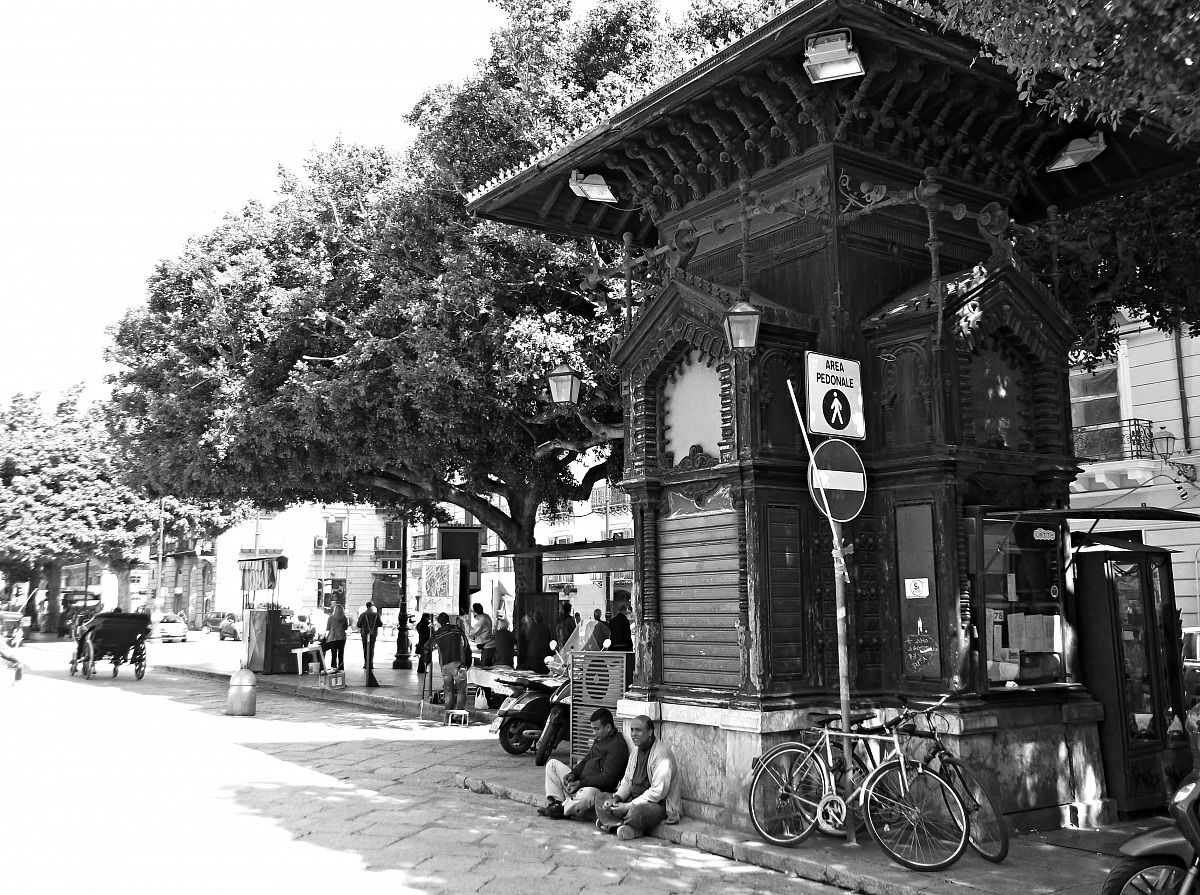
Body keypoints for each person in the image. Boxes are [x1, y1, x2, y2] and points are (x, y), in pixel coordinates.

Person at [594, 715, 682, 840]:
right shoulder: (636, 751)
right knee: (601, 798)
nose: (634, 734)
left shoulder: (662, 755)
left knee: (636, 813)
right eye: (632, 730)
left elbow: (657, 793)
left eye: (638, 730)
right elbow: (627, 782)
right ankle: (621, 826)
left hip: (656, 806)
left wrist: (627, 806)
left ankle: (613, 823)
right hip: (633, 799)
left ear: (650, 732)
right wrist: (616, 799)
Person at [538, 707, 629, 821]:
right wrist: (573, 774)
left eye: (596, 729)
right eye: (592, 729)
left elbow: (608, 780)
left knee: (587, 796)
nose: (593, 733)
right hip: (581, 782)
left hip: (596, 789)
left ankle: (562, 809)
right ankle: (556, 803)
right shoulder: (601, 738)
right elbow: (587, 759)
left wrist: (581, 783)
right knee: (552, 765)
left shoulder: (618, 746)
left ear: (608, 727)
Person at [430, 612, 471, 711]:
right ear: (448, 620)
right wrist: (468, 662)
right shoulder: (457, 630)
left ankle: (448, 714)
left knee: (448, 691)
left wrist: (426, 659)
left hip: (445, 666)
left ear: (439, 623)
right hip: (459, 665)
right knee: (462, 690)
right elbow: (466, 646)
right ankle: (459, 713)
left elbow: (427, 647)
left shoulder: (438, 633)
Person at [356, 602, 384, 669]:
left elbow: (358, 625)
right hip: (373, 634)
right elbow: (380, 624)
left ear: (366, 606)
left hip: (365, 634)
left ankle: (366, 663)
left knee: (365, 648)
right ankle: (371, 664)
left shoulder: (363, 615)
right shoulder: (376, 615)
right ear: (371, 607)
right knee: (371, 648)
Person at [469, 603, 495, 667]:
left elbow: (472, 632)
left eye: (473, 612)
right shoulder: (486, 616)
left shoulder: (482, 620)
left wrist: (465, 622)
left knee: (485, 667)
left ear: (475, 612)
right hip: (489, 645)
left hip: (488, 646)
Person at [324, 602, 348, 672]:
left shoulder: (331, 618)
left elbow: (328, 628)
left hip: (333, 638)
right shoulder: (344, 618)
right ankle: (341, 668)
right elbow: (346, 627)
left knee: (333, 654)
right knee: (341, 654)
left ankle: (333, 668)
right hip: (342, 638)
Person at [415, 613, 433, 697]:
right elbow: (427, 634)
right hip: (424, 642)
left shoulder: (421, 624)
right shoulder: (424, 626)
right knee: (425, 656)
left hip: (422, 642)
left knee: (424, 656)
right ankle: (421, 668)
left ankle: (422, 668)